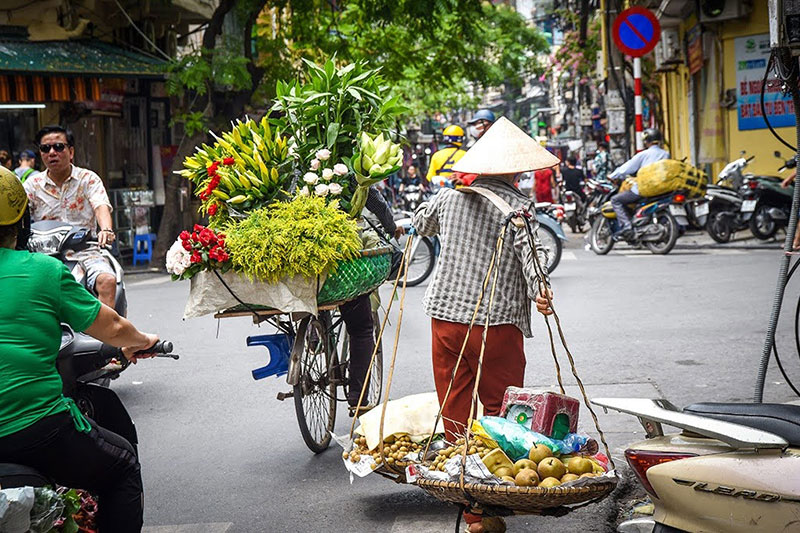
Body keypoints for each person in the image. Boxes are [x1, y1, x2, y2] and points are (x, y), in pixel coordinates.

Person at [413, 117, 557, 533]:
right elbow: (533, 256)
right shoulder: (518, 208)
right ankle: (485, 509)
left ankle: (461, 490)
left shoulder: (449, 197)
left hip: (446, 318)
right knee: (499, 410)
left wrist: (450, 190)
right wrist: (540, 291)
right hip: (495, 322)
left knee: (455, 405)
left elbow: (420, 225)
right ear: (514, 171)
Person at [0, 167, 158, 532]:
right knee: (122, 470)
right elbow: (114, 327)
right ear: (22, 221)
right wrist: (143, 341)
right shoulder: (43, 270)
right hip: (36, 427)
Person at [23, 125, 118, 308]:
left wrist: (106, 229)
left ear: (71, 151)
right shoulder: (31, 185)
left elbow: (101, 206)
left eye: (58, 147)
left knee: (107, 281)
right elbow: (17, 214)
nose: (52, 152)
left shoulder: (88, 179)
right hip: (42, 256)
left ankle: (106, 334)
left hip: (85, 252)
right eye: (45, 148)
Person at [343, 184, 403, 412]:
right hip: (344, 255)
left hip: (303, 256)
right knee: (361, 329)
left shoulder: (296, 162)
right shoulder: (351, 169)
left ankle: (314, 335)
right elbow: (375, 201)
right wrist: (391, 226)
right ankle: (358, 397)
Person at [608, 128, 670, 238]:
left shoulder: (644, 154)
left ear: (647, 141)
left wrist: (613, 175)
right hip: (661, 188)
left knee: (615, 200)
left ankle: (627, 227)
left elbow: (627, 168)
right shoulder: (666, 154)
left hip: (645, 188)